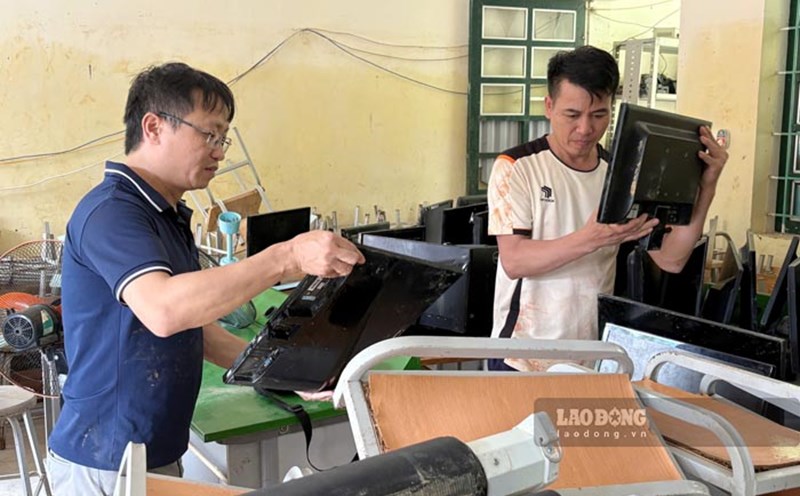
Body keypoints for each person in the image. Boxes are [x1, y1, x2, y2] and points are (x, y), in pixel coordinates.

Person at [47, 62, 365, 494]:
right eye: (209, 134)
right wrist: (285, 257)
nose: (219, 151)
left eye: (223, 138)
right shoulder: (112, 212)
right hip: (105, 460)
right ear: (154, 126)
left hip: (150, 452)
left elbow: (198, 332)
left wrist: (279, 372)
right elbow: (164, 310)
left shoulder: (166, 215)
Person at [486, 46, 728, 372]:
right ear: (549, 106)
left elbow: (671, 258)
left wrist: (706, 186)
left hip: (592, 354)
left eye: (599, 115)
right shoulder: (516, 167)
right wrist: (591, 238)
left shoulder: (620, 177)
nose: (585, 129)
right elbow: (515, 261)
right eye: (572, 115)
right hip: (522, 355)